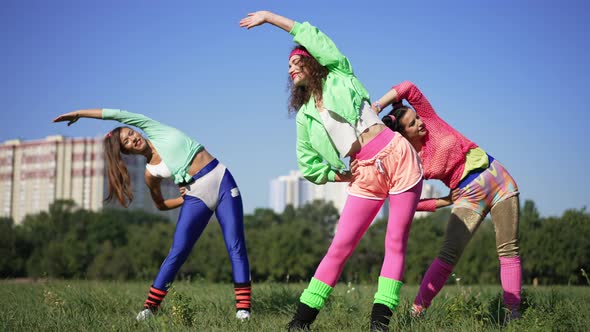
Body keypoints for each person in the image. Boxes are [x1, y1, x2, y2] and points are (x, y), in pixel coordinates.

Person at [240, 11, 423, 331]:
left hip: (397, 156)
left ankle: (379, 323)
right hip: (363, 172)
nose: (292, 67)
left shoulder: (339, 72)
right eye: (288, 67)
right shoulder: (304, 116)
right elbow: (309, 166)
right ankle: (301, 321)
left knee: (394, 241)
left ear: (314, 62)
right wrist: (342, 175)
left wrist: (269, 18)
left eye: (298, 61)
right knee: (340, 246)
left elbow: (308, 33)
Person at [53, 109, 252, 321]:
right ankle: (149, 309)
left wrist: (79, 114)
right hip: (195, 198)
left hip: (221, 180)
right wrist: (181, 200)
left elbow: (115, 114)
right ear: (127, 152)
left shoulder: (155, 130)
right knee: (177, 252)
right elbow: (160, 205)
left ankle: (243, 311)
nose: (132, 138)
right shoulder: (150, 174)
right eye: (126, 142)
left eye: (130, 133)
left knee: (235, 245)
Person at [373, 81, 521, 319]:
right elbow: (400, 199)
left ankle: (513, 315)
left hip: (498, 178)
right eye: (412, 124)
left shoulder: (430, 120)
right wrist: (443, 201)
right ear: (404, 135)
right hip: (466, 195)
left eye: (416, 118)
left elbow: (408, 88)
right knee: (448, 255)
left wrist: (378, 105)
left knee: (508, 250)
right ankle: (416, 312)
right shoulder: (413, 162)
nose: (419, 123)